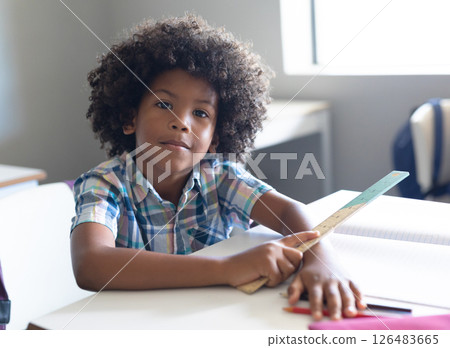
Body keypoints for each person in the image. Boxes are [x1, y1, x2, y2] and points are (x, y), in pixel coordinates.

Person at [70, 14, 365, 321]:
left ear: (214, 139)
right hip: (140, 324)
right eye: (164, 104)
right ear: (129, 118)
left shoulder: (221, 176)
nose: (182, 122)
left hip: (222, 319)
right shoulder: (104, 184)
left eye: (200, 112)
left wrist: (322, 259)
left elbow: (292, 212)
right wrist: (228, 268)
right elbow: (91, 264)